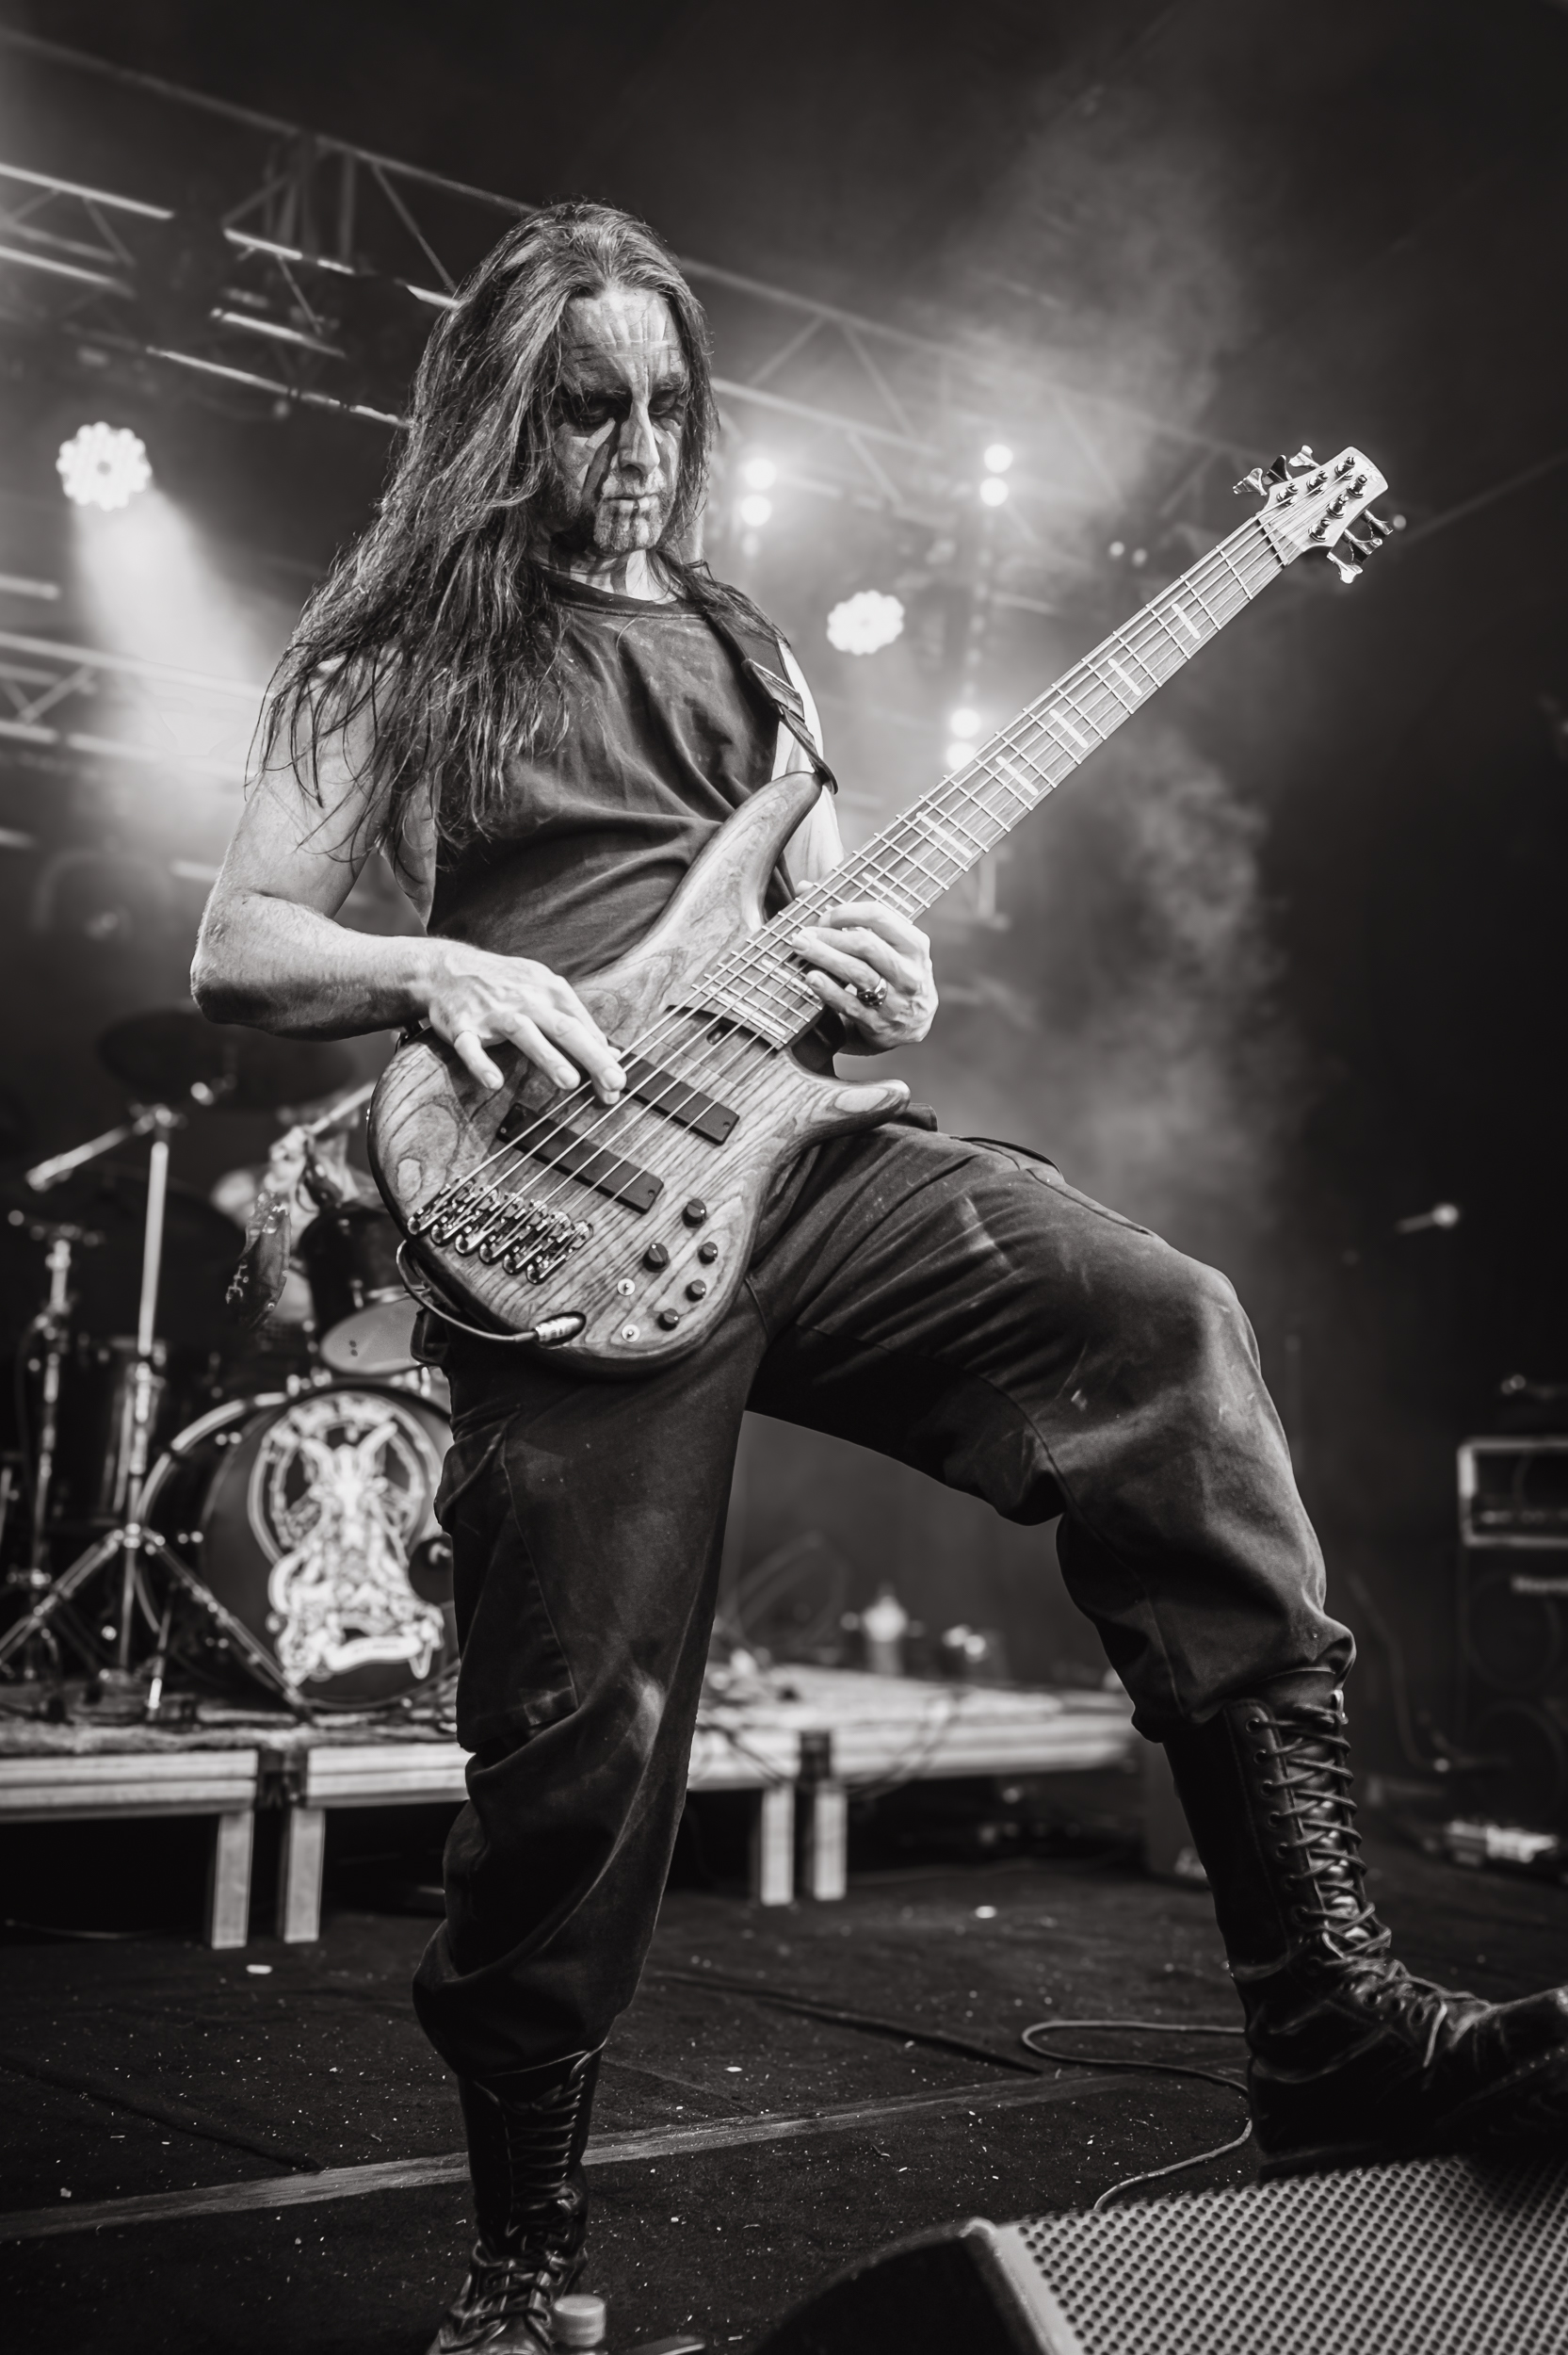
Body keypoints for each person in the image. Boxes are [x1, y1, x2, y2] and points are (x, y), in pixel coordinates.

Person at [192, 203, 1568, 2354]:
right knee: (577, 1739)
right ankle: (523, 2258)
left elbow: (835, 947)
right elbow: (240, 942)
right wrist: (440, 967)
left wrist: (882, 968)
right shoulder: (397, 656)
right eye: (586, 409)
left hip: (795, 1164)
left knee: (1162, 1326)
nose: (637, 449)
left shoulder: (753, 654)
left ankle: (1327, 2020)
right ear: (495, 418)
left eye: (667, 405)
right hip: (550, 1212)